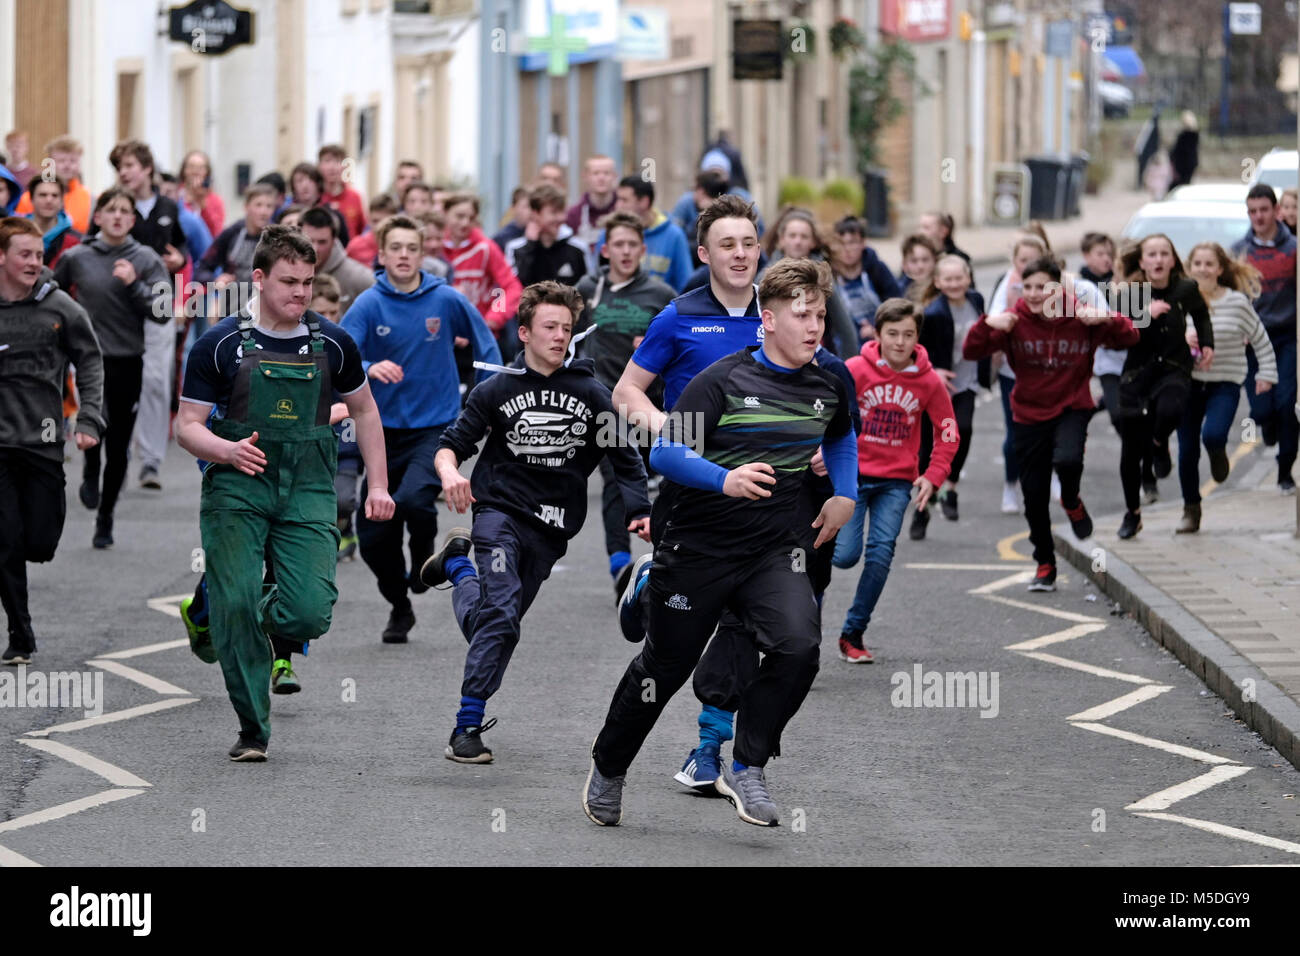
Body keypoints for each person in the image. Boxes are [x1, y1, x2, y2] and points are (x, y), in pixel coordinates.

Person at [583, 257, 857, 828]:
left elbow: (842, 436)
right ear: (768, 319)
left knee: (798, 647)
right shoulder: (724, 380)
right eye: (801, 315)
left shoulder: (829, 381)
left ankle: (748, 764)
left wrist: (845, 494)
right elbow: (664, 452)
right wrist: (725, 478)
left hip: (772, 549)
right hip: (698, 547)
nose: (813, 327)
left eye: (820, 316)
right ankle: (609, 766)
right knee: (665, 668)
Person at [177, 226, 394, 760]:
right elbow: (187, 425)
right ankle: (253, 729)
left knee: (308, 612)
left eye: (308, 282)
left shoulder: (333, 343)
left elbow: (365, 411)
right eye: (289, 282)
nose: (300, 293)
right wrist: (223, 451)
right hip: (237, 485)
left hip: (309, 486)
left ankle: (227, 616)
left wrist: (379, 484)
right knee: (236, 600)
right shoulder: (222, 343)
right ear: (258, 278)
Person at [419, 281, 651, 763]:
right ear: (524, 332)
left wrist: (639, 511)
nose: (560, 336)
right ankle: (466, 727)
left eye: (566, 328)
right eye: (549, 327)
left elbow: (624, 459)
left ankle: (458, 568)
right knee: (501, 616)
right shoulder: (496, 389)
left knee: (494, 624)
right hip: (497, 513)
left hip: (551, 528)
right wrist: (449, 473)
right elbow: (451, 444)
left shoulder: (591, 394)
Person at [342, 215, 502, 643]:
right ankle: (400, 605)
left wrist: (484, 399)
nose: (404, 255)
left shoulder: (445, 299)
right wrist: (369, 366)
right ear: (381, 254)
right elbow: (339, 358)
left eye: (412, 248)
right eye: (395, 247)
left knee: (413, 497)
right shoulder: (369, 303)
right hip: (380, 430)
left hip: (436, 426)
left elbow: (486, 343)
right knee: (374, 533)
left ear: (422, 254)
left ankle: (423, 558)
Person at [965, 256, 1139, 590]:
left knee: (1069, 460)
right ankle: (1045, 562)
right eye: (1027, 287)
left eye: (1042, 287)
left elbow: (1130, 337)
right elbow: (972, 350)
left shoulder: (1080, 316)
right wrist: (989, 323)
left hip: (1072, 406)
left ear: (1058, 288)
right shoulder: (1014, 320)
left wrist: (1106, 316)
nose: (1032, 294)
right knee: (1033, 493)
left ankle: (1071, 500)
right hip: (1028, 414)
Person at [0, 217, 103, 664]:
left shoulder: (59, 307)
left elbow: (91, 361)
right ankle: (20, 635)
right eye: (24, 254)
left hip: (43, 441)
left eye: (39, 255)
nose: (35, 263)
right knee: (5, 541)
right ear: (1, 257)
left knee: (38, 541)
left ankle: (20, 550)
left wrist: (90, 419)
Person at [833, 297, 954, 662]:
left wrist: (934, 476)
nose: (900, 342)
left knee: (881, 553)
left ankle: (853, 633)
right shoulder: (854, 369)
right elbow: (825, 415)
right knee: (844, 556)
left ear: (918, 337)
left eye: (908, 334)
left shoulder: (929, 381)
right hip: (851, 476)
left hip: (896, 482)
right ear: (878, 333)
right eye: (892, 334)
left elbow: (947, 431)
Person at [53, 188, 171, 549]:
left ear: (133, 221)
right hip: (89, 359)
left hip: (128, 359)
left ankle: (106, 517)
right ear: (99, 217)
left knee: (118, 444)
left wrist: (134, 284)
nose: (118, 216)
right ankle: (90, 469)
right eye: (110, 210)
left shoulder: (146, 258)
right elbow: (52, 295)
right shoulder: (77, 256)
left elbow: (163, 311)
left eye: (125, 211)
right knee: (94, 426)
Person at [573, 211, 675, 589]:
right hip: (603, 400)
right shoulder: (588, 288)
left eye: (633, 244)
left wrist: (652, 347)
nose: (626, 251)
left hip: (648, 403)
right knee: (616, 476)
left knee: (662, 477)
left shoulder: (661, 295)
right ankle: (620, 565)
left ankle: (664, 555)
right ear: (605, 250)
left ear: (643, 250)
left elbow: (676, 348)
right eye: (619, 244)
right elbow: (570, 341)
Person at [1114, 234, 1215, 537]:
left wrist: (1207, 343)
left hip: (1174, 368)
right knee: (1131, 452)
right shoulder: (1130, 293)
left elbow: (1201, 314)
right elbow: (1120, 335)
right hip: (1137, 376)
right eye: (1151, 255)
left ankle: (1158, 445)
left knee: (1172, 409)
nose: (1158, 259)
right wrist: (1146, 316)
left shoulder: (1186, 288)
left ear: (1173, 260)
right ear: (1142, 262)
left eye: (1164, 254)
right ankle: (1132, 513)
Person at [1176, 242, 1277, 532]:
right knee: (1186, 449)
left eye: (1209, 264)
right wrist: (1183, 337)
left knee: (1213, 434)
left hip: (1225, 382)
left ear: (1220, 269)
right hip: (1188, 383)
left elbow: (1260, 338)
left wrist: (1267, 373)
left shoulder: (1236, 302)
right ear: (1189, 267)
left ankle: (1218, 451)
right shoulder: (1180, 300)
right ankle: (1191, 509)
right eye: (1198, 264)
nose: (1203, 269)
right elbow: (1160, 338)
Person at [912, 255, 986, 536]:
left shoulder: (976, 301)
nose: (955, 284)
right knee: (928, 447)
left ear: (968, 278)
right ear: (938, 282)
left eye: (960, 278)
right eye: (949, 279)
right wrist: (934, 372)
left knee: (963, 430)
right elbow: (916, 350)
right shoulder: (932, 314)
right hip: (937, 386)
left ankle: (950, 487)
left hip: (965, 382)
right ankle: (923, 508)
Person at [1233, 184, 1298, 494]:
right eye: (1252, 211)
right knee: (1261, 410)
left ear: (1277, 211)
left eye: (1264, 210)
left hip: (1286, 338)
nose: (1258, 216)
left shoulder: (1293, 248)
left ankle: (1285, 471)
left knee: (1287, 404)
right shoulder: (1238, 251)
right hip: (1252, 341)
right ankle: (1268, 428)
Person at [986, 234, 1048, 514]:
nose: (1028, 265)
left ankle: (1047, 481)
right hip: (1013, 372)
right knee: (1015, 432)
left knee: (1048, 432)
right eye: (1023, 261)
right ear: (1015, 262)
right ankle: (1011, 484)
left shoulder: (1058, 287)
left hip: (1047, 370)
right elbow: (992, 320)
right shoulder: (1008, 285)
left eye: (1034, 260)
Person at [309, 274, 363, 561]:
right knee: (321, 502)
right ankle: (338, 532)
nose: (329, 319)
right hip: (311, 444)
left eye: (333, 313)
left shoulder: (345, 345)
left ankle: (345, 526)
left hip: (346, 443)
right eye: (322, 313)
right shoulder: (297, 348)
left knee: (343, 498)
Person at [761, 206, 858, 359]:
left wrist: (850, 367)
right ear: (781, 240)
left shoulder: (822, 278)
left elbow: (845, 328)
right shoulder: (765, 277)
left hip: (815, 354)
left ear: (813, 241)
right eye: (792, 235)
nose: (798, 241)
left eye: (804, 236)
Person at [442, 192, 522, 347]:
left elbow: (512, 288)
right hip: (444, 336)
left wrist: (495, 317)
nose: (465, 223)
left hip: (480, 337)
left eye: (471, 218)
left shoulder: (486, 248)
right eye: (459, 216)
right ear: (445, 215)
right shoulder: (435, 247)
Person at [196, 183, 280, 320]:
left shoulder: (277, 237)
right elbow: (201, 269)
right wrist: (216, 280)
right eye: (258, 205)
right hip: (231, 310)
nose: (264, 211)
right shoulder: (232, 233)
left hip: (265, 311)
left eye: (269, 206)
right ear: (246, 207)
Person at [607, 176, 693, 293]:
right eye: (617, 199)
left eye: (624, 200)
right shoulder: (611, 232)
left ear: (644, 202)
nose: (617, 206)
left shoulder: (674, 235)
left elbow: (686, 285)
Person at [505, 183, 587, 287]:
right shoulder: (515, 249)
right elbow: (515, 288)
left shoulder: (579, 248)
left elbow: (587, 290)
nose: (561, 217)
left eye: (562, 211)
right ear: (535, 214)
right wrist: (530, 247)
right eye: (553, 212)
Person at [831, 215, 899, 342]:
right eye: (841, 243)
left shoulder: (876, 268)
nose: (847, 249)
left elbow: (896, 302)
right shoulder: (829, 274)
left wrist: (876, 325)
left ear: (863, 243)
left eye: (852, 243)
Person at [299, 205, 375, 316]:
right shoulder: (286, 273)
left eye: (322, 242)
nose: (315, 249)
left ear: (334, 240)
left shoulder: (360, 278)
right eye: (309, 240)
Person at [14, 136, 92, 234]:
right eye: (61, 161)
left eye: (73, 161)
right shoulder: (29, 198)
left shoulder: (89, 197)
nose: (67, 165)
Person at [565, 155, 618, 271]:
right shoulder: (573, 214)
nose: (601, 178)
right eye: (596, 173)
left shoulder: (624, 212)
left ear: (615, 176)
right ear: (585, 176)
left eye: (606, 173)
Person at [25, 177, 81, 268]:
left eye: (55, 195)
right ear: (31, 199)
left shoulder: (75, 241)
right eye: (43, 195)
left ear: (62, 201)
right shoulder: (15, 235)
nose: (49, 200)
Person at [318, 144, 367, 241]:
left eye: (337, 161)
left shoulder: (355, 197)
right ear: (319, 166)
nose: (332, 167)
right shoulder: (315, 197)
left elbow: (363, 230)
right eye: (327, 161)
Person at [179, 150, 226, 239]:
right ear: (184, 170)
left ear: (207, 172)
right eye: (191, 167)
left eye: (200, 168)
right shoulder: (176, 194)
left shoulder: (215, 200)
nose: (195, 172)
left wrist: (203, 205)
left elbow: (216, 233)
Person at [345, 193, 398, 267]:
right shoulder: (354, 247)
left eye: (385, 222)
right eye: (375, 221)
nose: (380, 226)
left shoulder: (402, 249)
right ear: (368, 220)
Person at [898, 233, 940, 305]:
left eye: (925, 260)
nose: (920, 266)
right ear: (904, 265)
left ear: (935, 261)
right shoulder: (898, 292)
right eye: (914, 261)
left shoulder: (944, 288)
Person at [1167, 111, 1200, 193]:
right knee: (1185, 184)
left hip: (1181, 165)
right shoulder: (1195, 135)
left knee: (1178, 187)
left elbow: (1177, 151)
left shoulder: (1183, 136)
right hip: (1190, 164)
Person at [492, 186, 532, 251]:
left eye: (532, 206)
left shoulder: (538, 233)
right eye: (526, 206)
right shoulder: (502, 238)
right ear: (513, 208)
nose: (530, 211)